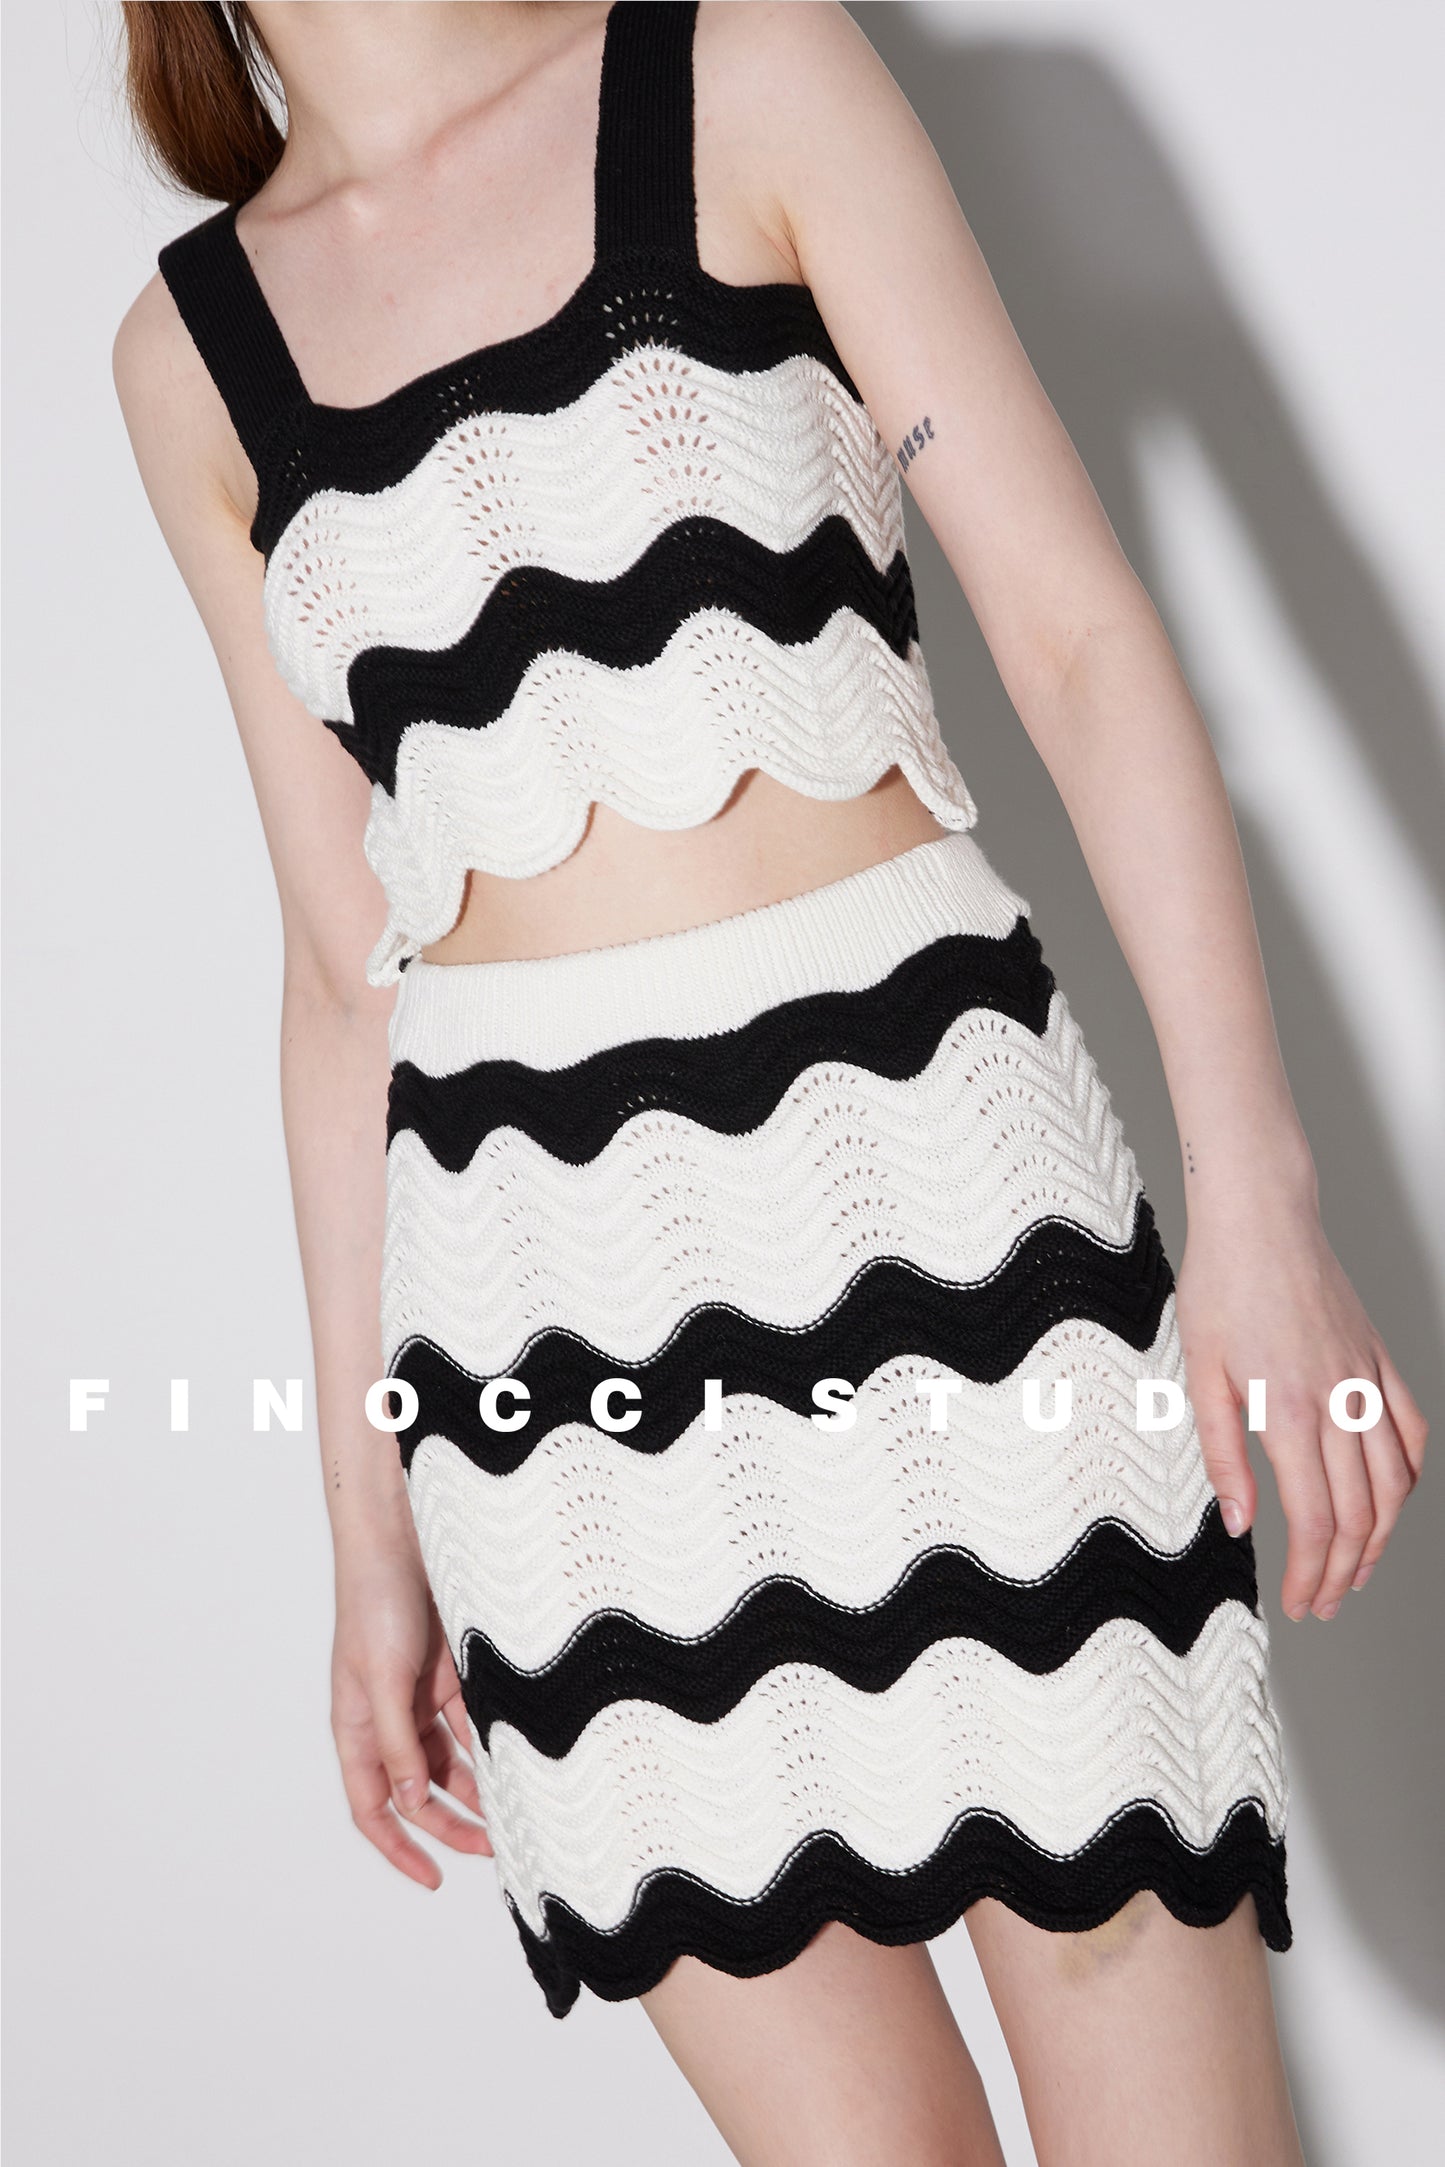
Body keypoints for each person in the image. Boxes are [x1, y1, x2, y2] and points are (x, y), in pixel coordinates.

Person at [112, 5, 1426, 2162]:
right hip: (548, 1368)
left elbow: (1079, 640)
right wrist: (368, 1523)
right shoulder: (190, 357)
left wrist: (1258, 1204)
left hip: (948, 1223)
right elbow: (343, 973)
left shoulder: (741, 69)